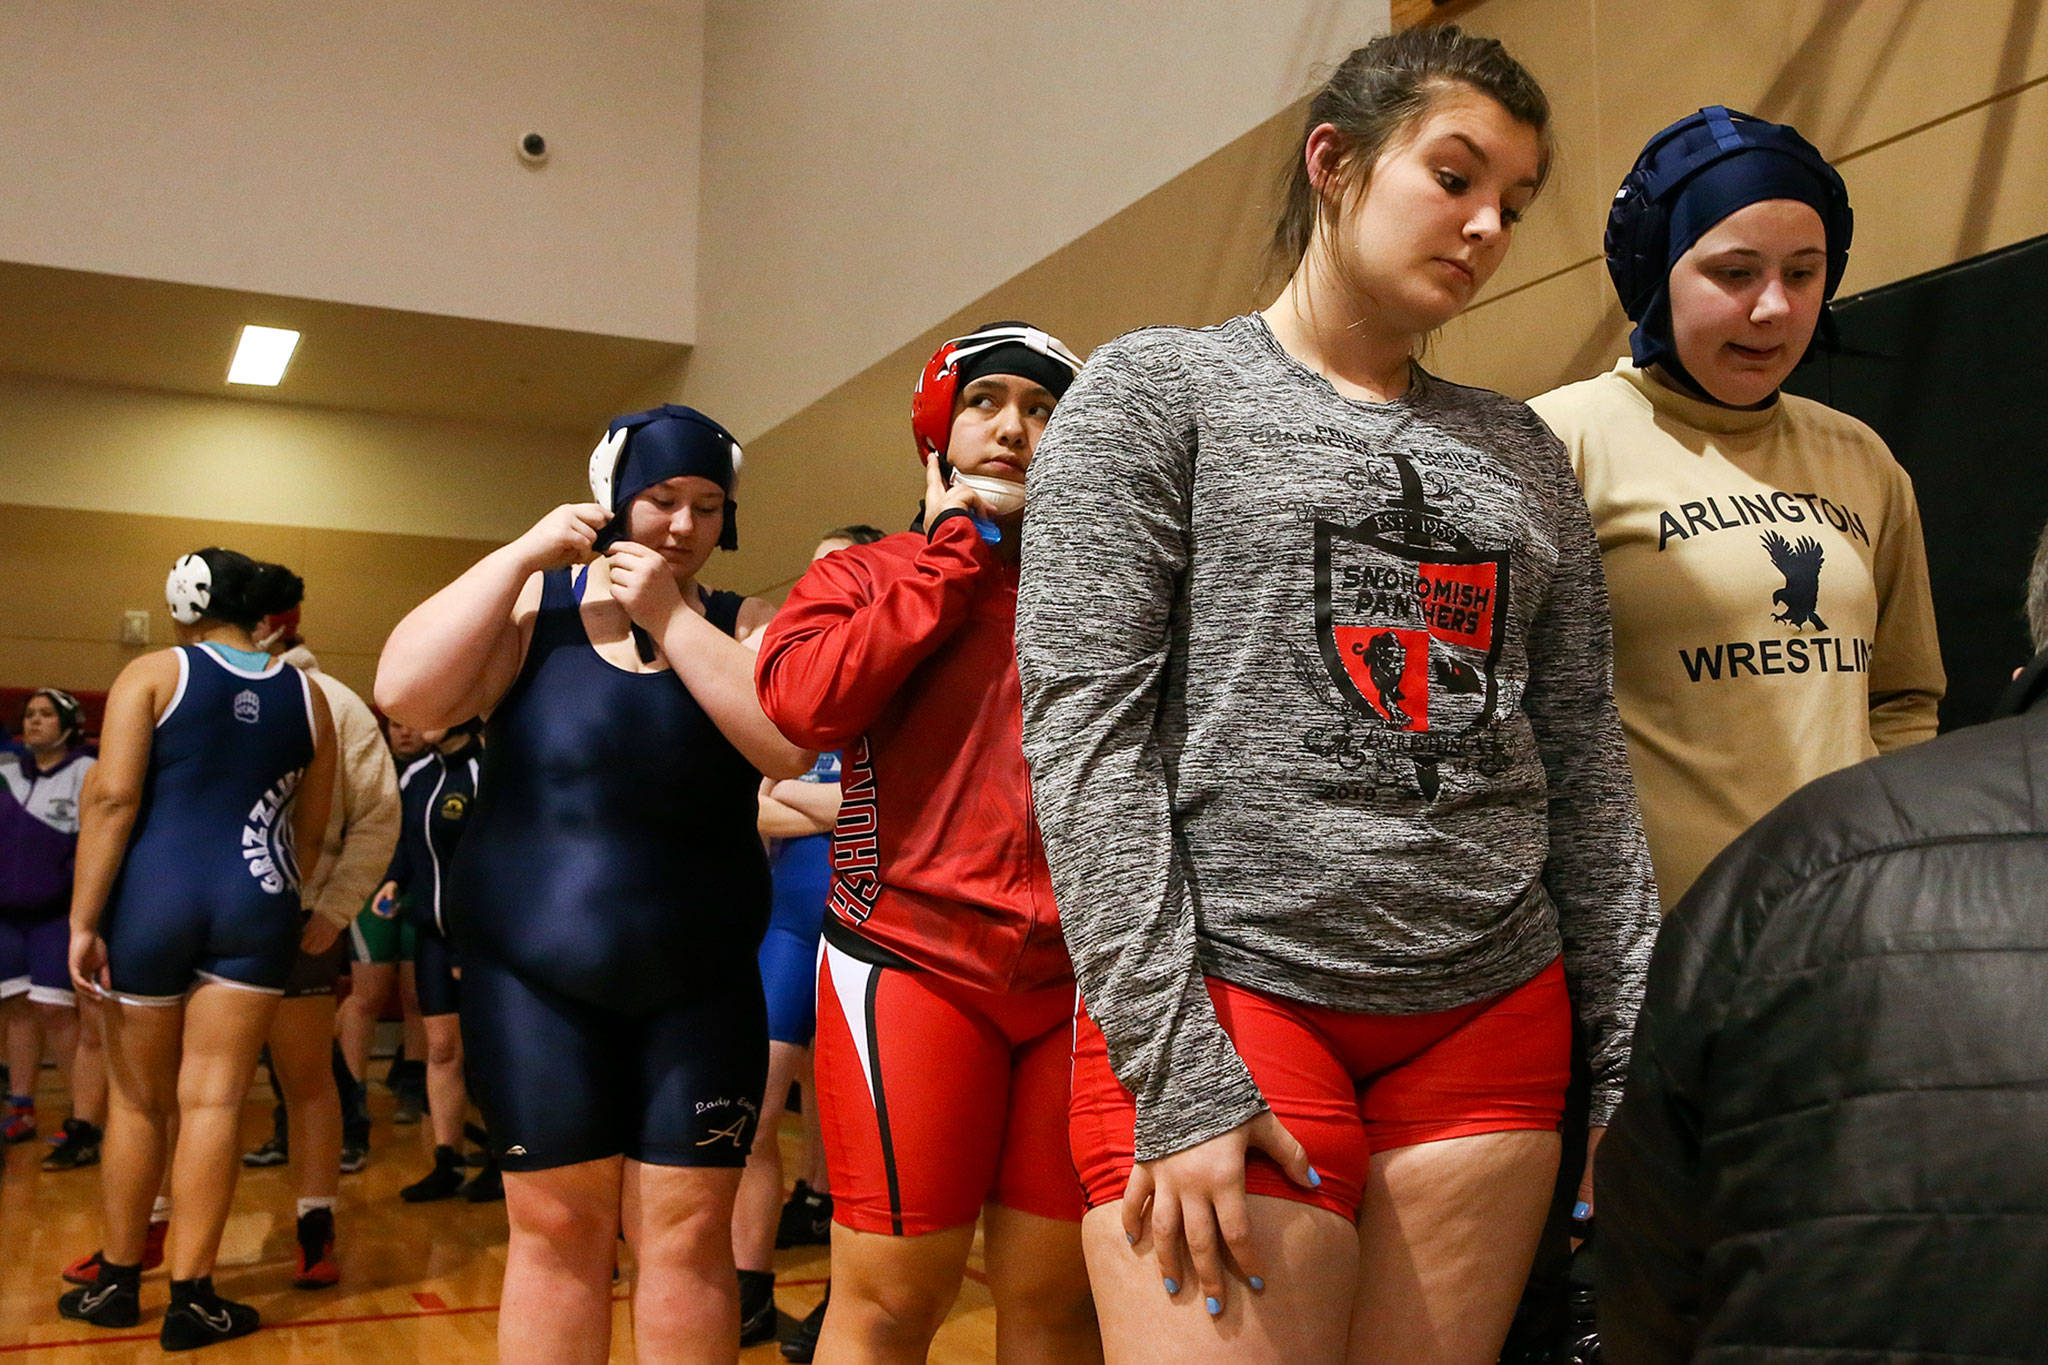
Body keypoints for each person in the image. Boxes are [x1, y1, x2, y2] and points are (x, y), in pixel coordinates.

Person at [1014, 27, 1660, 1364]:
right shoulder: (1160, 391)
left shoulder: (1522, 450)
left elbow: (1584, 757)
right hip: (1239, 1003)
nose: (1486, 226)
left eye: (1515, 205)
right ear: (1336, 163)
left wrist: (1626, 1052)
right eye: (1455, 175)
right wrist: (1175, 1069)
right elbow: (1086, 739)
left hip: (1491, 1015)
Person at [377, 404, 809, 1364]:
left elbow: (789, 740)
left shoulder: (747, 625)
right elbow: (406, 690)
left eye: (707, 506)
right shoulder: (537, 617)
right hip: (535, 985)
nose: (684, 527)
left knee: (690, 1239)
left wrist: (667, 617)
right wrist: (524, 554)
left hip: (700, 985)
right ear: (615, 498)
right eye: (662, 500)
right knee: (560, 1235)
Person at [1593, 520, 2047, 1363]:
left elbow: (1652, 1261)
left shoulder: (1862, 461)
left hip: (1819, 893)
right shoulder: (1575, 440)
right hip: (1769, 913)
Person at [757, 323, 1103, 1363]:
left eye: (1041, 411)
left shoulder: (1101, 588)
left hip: (1075, 975)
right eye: (987, 401)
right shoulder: (867, 573)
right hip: (909, 964)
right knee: (893, 1304)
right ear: (937, 425)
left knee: (1056, 1306)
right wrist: (950, 555)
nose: (1012, 429)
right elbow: (806, 708)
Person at [1529, 105, 1945, 910]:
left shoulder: (1863, 459)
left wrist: (1891, 852)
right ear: (1658, 272)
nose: (1773, 310)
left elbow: (1904, 696)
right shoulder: (1561, 441)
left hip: (1846, 920)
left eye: (1802, 272)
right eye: (1734, 272)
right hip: (1659, 949)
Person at [59, 548, 336, 1349]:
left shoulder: (152, 672)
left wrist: (84, 918)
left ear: (184, 603)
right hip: (259, 900)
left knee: (138, 1100)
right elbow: (311, 833)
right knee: (216, 1100)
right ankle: (193, 1297)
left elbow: (112, 797)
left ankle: (116, 1282)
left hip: (155, 897)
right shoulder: (310, 694)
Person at [732, 524, 884, 1353]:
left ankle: (844, 1300)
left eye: (839, 570)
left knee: (857, 1132)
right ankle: (750, 1291)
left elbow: (882, 807)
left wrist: (800, 799)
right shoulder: (790, 694)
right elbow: (747, 804)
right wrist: (815, 801)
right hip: (790, 921)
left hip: (869, 923)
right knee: (752, 1114)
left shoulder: (894, 672)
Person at [234, 597, 399, 1289]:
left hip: (299, 918)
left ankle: (313, 1223)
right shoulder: (187, 686)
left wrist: (334, 909)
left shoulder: (331, 702)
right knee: (196, 1091)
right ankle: (157, 1239)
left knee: (308, 1080)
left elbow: (377, 815)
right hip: (204, 923)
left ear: (270, 628)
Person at [381, 719, 491, 1205]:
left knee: (488, 1056)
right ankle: (446, 1158)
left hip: (483, 940)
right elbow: (408, 844)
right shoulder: (416, 774)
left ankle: (504, 1162)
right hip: (430, 934)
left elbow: (499, 858)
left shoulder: (488, 770)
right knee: (442, 1049)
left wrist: (474, 941)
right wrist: (393, 881)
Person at [1, 689, 102, 1166]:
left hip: (58, 914)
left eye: (46, 714)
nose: (35, 721)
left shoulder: (87, 772)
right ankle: (21, 1107)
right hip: (7, 916)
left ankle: (84, 1120)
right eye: (29, 714)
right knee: (16, 1007)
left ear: (69, 725)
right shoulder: (5, 771)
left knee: (56, 1011)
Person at [336, 719, 430, 1135]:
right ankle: (349, 1093)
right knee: (367, 995)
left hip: (422, 891)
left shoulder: (441, 770)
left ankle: (413, 1083)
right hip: (373, 888)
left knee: (417, 995)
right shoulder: (371, 771)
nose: (405, 732)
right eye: (396, 725)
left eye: (413, 725)